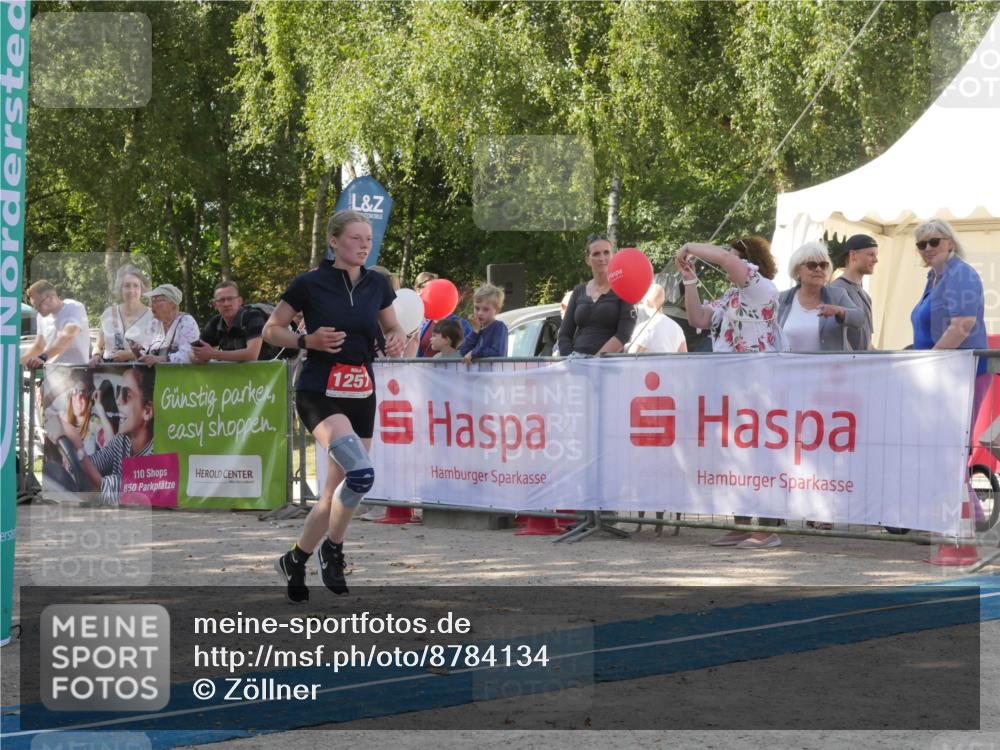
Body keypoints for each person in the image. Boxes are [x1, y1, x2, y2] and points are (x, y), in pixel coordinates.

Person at [264, 210, 406, 603]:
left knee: (333, 494)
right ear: (334, 241)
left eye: (368, 239)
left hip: (361, 390)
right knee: (360, 476)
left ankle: (296, 559)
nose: (364, 245)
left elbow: (392, 327)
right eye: (355, 238)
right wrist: (307, 341)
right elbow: (271, 329)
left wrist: (395, 338)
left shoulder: (377, 284)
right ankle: (334, 548)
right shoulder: (309, 284)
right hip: (318, 390)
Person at [677, 235, 785, 549]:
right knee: (734, 457)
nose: (729, 262)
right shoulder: (730, 296)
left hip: (759, 386)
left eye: (739, 258)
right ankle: (740, 524)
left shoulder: (762, 289)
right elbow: (697, 318)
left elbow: (725, 259)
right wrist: (690, 280)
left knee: (761, 458)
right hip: (729, 387)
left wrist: (690, 247)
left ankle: (767, 529)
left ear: (753, 263)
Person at [909, 218, 990, 529]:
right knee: (942, 448)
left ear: (950, 243)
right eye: (921, 244)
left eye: (934, 242)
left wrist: (929, 361)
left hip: (960, 373)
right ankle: (962, 522)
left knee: (951, 448)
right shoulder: (934, 277)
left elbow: (963, 325)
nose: (928, 248)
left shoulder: (960, 274)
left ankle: (963, 524)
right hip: (939, 374)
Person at [56, 366, 155, 506]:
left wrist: (78, 447)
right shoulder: (121, 441)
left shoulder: (155, 454)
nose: (119, 401)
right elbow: (95, 463)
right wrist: (71, 457)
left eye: (127, 394)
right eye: (119, 392)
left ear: (147, 411)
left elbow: (107, 487)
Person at [776, 241, 863, 352]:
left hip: (829, 368)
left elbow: (860, 319)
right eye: (812, 265)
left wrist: (839, 311)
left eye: (823, 265)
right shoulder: (782, 298)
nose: (818, 269)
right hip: (789, 368)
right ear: (798, 269)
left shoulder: (837, 295)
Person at [558, 233, 637, 356]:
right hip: (577, 365)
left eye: (606, 252)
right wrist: (570, 359)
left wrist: (596, 362)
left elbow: (624, 334)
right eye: (596, 254)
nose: (602, 258)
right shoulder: (578, 291)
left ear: (613, 256)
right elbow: (564, 334)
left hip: (608, 366)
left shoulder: (623, 290)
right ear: (587, 260)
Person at [192, 281, 283, 363]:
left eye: (230, 299)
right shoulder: (215, 323)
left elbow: (252, 355)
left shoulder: (253, 316)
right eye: (221, 300)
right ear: (215, 305)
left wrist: (213, 354)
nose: (226, 304)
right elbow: (194, 353)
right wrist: (199, 357)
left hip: (268, 376)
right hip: (238, 378)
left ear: (240, 301)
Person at [91, 265, 157, 364]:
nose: (131, 290)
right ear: (120, 289)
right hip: (107, 372)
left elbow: (157, 351)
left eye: (135, 286)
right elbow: (98, 346)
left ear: (141, 289)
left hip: (140, 373)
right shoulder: (108, 313)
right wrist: (96, 356)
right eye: (127, 286)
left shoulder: (153, 316)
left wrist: (129, 354)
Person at [21, 280, 91, 367]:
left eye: (38, 305)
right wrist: (17, 363)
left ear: (50, 297)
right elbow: (39, 346)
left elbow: (68, 336)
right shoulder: (41, 317)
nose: (36, 309)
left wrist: (43, 357)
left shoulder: (74, 307)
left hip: (76, 374)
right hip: (52, 374)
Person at [407, 271, 474, 358]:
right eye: (430, 288)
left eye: (437, 287)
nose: (435, 291)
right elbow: (418, 355)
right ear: (418, 290)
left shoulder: (460, 324)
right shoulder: (424, 324)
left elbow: (472, 348)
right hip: (425, 371)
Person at [831, 234, 878, 350]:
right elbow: (835, 338)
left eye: (876, 255)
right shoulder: (835, 290)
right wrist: (855, 363)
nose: (876, 260)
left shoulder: (866, 296)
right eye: (871, 255)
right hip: (846, 366)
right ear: (853, 255)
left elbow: (867, 342)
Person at [138, 284, 199, 365]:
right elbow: (144, 351)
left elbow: (189, 355)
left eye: (157, 300)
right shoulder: (154, 324)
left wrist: (162, 359)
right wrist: (134, 352)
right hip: (153, 373)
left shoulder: (186, 322)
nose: (152, 305)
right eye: (152, 300)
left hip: (179, 374)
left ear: (172, 304)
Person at [627, 283, 687, 353]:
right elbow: (684, 358)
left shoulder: (644, 329)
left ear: (647, 302)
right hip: (671, 364)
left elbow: (632, 358)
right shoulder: (677, 328)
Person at [460, 283, 509, 362]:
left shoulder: (499, 327)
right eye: (477, 308)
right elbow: (463, 351)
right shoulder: (478, 329)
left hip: (494, 373)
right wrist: (475, 332)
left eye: (485, 309)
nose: (480, 313)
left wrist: (473, 353)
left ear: (497, 311)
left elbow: (497, 352)